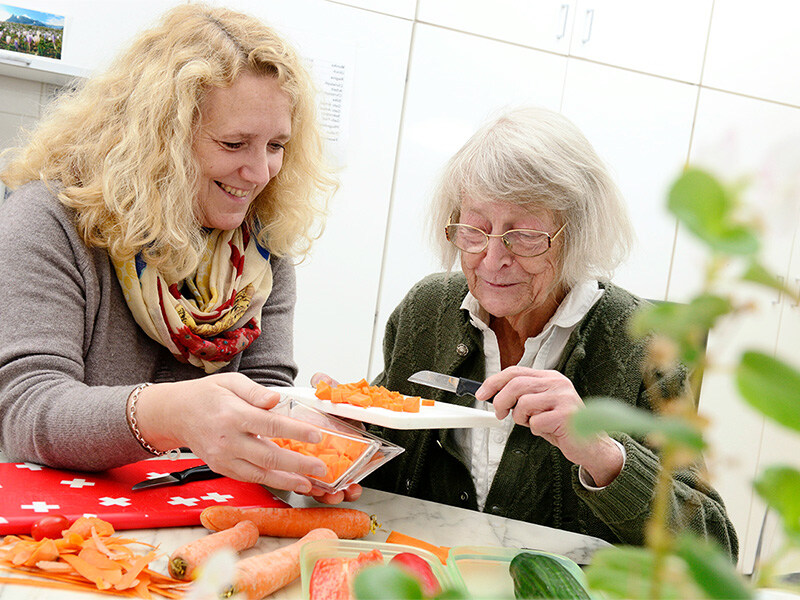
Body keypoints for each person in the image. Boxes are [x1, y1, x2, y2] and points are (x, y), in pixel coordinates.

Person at [0, 4, 358, 502]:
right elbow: (23, 410)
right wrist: (168, 415)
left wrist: (312, 432)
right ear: (156, 139)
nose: (260, 173)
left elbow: (266, 388)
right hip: (59, 535)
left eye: (276, 145)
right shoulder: (49, 221)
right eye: (234, 144)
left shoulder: (259, 252)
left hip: (201, 523)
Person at [354, 106, 738, 558]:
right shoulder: (428, 309)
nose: (492, 259)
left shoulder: (646, 347)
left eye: (525, 235)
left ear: (576, 233)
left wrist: (601, 454)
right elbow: (380, 462)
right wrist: (341, 435)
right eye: (475, 230)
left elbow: (715, 550)